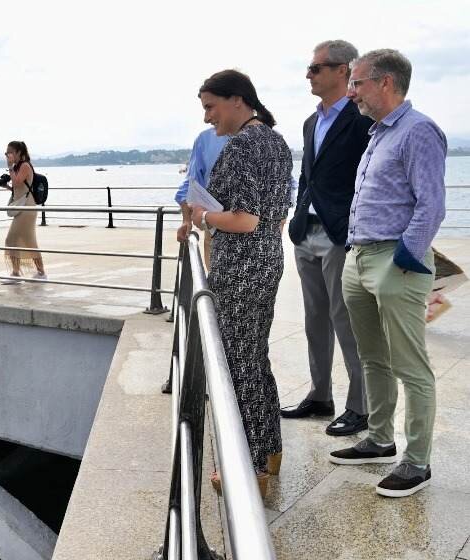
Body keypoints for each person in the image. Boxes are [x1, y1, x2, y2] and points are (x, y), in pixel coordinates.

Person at [329, 49, 446, 498]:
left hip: (394, 260)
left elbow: (431, 205)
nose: (352, 91)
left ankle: (417, 462)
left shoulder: (419, 131)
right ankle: (380, 439)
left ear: (387, 83)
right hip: (358, 257)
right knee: (372, 357)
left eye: (357, 83)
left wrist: (404, 259)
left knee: (410, 365)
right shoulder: (378, 133)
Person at [189, 70, 293, 497]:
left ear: (237, 100)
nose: (208, 118)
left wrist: (204, 217)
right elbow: (275, 213)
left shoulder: (245, 146)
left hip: (241, 268)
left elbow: (245, 220)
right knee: (255, 357)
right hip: (267, 259)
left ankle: (252, 469)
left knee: (240, 364)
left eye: (210, 107)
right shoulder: (275, 141)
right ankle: (269, 451)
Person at [282, 40, 374, 436]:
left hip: (341, 235)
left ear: (343, 70)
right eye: (309, 67)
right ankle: (320, 395)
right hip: (308, 232)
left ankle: (361, 407)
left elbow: (372, 175)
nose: (309, 74)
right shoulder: (310, 122)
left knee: (347, 321)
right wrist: (297, 215)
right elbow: (309, 175)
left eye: (317, 67)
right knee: (314, 320)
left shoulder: (362, 119)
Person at [175, 128, 228, 269]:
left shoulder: (268, 137)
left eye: (210, 107)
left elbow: (285, 185)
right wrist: (186, 219)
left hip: (260, 237)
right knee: (215, 287)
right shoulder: (206, 139)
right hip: (215, 231)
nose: (207, 117)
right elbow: (191, 183)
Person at [0, 141, 46, 284]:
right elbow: (18, 189)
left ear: (19, 152)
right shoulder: (18, 167)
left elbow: (18, 182)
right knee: (21, 240)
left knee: (22, 239)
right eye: (6, 153)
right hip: (24, 206)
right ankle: (19, 273)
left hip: (28, 208)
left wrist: (10, 167)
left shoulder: (25, 166)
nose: (8, 155)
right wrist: (6, 186)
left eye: (10, 152)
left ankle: (38, 273)